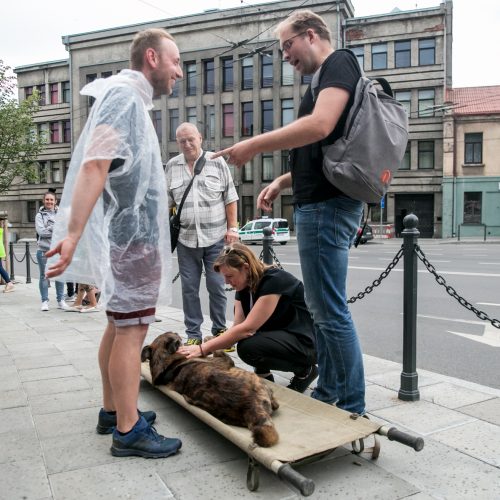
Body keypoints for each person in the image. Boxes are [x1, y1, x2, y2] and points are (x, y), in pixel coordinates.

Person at [214, 10, 365, 415]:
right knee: (324, 309)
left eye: (287, 45)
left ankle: (351, 405)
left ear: (311, 35)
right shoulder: (323, 77)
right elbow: (324, 150)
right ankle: (331, 392)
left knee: (330, 311)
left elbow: (319, 126)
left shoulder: (339, 63)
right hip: (322, 202)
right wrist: (283, 181)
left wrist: (254, 144)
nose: (285, 56)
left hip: (328, 207)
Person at [45, 28, 183, 458]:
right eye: (175, 61)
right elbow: (94, 165)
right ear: (152, 58)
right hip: (134, 240)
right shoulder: (124, 97)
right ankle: (128, 429)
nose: (179, 71)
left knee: (118, 323)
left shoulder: (127, 98)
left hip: (131, 238)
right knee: (132, 329)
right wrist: (71, 233)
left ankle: (113, 410)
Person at [178, 243, 318, 393]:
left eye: (229, 276)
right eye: (224, 277)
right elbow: (237, 327)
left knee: (249, 347)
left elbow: (248, 328)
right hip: (282, 337)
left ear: (246, 267)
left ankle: (305, 371)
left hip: (306, 342)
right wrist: (214, 343)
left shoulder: (275, 280)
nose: (226, 282)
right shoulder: (244, 285)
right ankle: (264, 378)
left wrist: (202, 349)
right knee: (245, 343)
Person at [165, 122, 239, 348]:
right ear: (177, 142)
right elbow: (165, 202)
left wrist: (232, 228)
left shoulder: (216, 161)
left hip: (216, 238)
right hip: (187, 240)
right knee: (189, 289)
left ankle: (219, 332)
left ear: (200, 138)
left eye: (191, 139)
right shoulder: (172, 165)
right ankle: (194, 332)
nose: (187, 144)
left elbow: (230, 197)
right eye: (182, 141)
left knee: (217, 286)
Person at [35, 191, 68, 311]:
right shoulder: (40, 215)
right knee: (44, 276)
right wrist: (55, 226)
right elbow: (41, 232)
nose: (49, 202)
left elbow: (65, 230)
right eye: (47, 199)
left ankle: (61, 300)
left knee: (60, 275)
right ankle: (44, 301)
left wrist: (50, 227)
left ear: (55, 201)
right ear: (44, 201)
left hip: (59, 250)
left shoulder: (62, 214)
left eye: (51, 200)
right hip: (43, 250)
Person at [0, 218, 14, 293]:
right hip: (0, 249)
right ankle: (9, 283)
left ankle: (9, 282)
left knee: (0, 267)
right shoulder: (1, 228)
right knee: (0, 267)